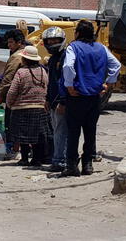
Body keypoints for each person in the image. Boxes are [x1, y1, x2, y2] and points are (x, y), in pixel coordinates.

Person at [61, 20, 121, 177]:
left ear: (78, 33)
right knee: (90, 131)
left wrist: (69, 85)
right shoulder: (102, 48)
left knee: (73, 132)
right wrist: (109, 83)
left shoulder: (73, 47)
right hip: (94, 97)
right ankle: (88, 164)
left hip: (77, 96)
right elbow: (116, 65)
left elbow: (68, 66)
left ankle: (71, 165)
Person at [6, 46, 51, 167]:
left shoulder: (21, 72)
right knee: (37, 135)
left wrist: (9, 103)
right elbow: (47, 87)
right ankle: (36, 159)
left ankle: (24, 158)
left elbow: (12, 91)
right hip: (39, 107)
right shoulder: (43, 71)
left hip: (22, 107)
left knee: (22, 135)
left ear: (24, 59)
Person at [43, 27, 69, 172]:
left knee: (61, 132)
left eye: (55, 40)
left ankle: (61, 160)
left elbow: (65, 80)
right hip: (53, 101)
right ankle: (58, 158)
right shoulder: (53, 59)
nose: (52, 43)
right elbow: (51, 81)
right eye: (49, 41)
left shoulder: (65, 57)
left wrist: (63, 101)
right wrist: (47, 99)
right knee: (57, 131)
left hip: (61, 101)